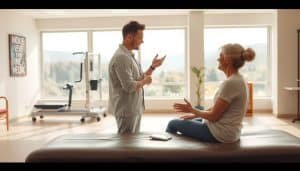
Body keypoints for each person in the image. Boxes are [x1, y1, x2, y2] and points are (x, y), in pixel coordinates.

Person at [166, 43, 255, 143]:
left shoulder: (230, 83)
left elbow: (213, 116)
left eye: (220, 56)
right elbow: (217, 108)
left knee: (172, 123)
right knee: (190, 116)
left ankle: (167, 155)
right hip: (228, 131)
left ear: (228, 60)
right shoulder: (238, 79)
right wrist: (195, 115)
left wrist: (192, 110)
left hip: (219, 133)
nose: (217, 59)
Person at [108, 21, 166, 134]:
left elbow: (138, 78)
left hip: (133, 109)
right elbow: (129, 86)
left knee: (132, 145)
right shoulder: (121, 58)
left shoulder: (128, 56)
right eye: (140, 38)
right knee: (126, 146)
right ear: (129, 37)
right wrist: (145, 81)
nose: (142, 41)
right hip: (127, 111)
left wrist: (152, 67)